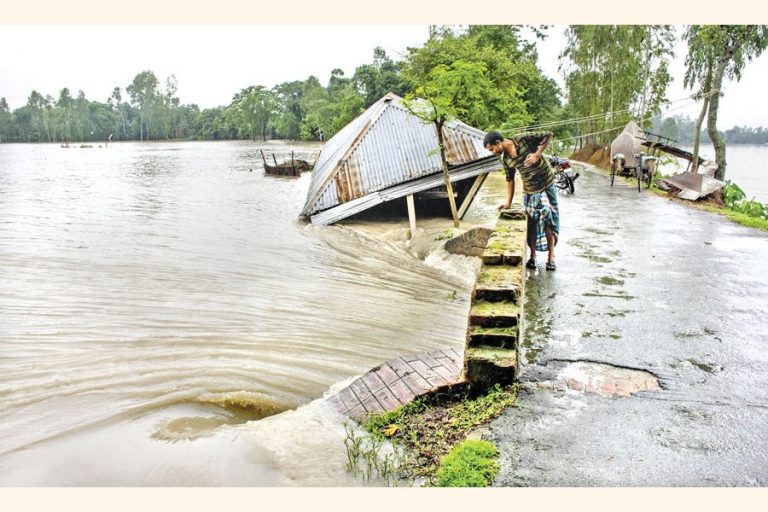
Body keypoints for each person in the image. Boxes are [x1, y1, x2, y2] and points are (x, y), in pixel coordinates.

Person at [483, 130, 560, 271]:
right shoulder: (505, 159)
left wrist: (537, 154)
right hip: (529, 189)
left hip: (546, 184)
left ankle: (551, 257)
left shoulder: (522, 139)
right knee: (531, 222)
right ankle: (533, 256)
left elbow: (548, 134)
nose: (492, 152)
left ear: (498, 143)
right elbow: (509, 180)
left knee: (548, 220)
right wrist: (508, 203)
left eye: (492, 149)